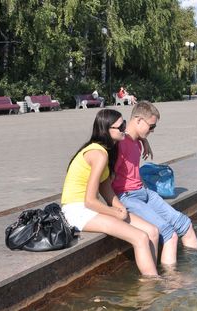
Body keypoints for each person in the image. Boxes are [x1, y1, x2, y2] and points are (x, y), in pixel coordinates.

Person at [61, 109, 159, 276]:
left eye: (124, 125)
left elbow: (106, 189)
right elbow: (90, 201)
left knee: (152, 231)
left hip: (88, 208)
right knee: (140, 237)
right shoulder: (98, 154)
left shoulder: (107, 151)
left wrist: (120, 208)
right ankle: (152, 284)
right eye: (120, 127)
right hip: (76, 211)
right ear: (107, 130)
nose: (124, 130)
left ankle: (152, 271)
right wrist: (114, 212)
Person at [112, 101, 197, 266]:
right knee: (169, 234)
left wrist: (144, 140)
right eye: (151, 127)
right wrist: (116, 206)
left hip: (144, 193)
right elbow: (108, 180)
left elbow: (134, 139)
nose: (152, 131)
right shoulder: (119, 143)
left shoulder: (137, 141)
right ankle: (170, 280)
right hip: (128, 197)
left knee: (184, 223)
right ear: (138, 120)